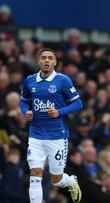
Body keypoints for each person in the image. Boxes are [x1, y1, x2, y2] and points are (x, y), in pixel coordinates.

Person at [19, 48, 83, 203]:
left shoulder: (63, 80)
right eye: (43, 58)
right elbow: (23, 101)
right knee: (35, 174)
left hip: (57, 136)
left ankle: (71, 182)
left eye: (50, 58)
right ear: (38, 61)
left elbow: (78, 104)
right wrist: (25, 111)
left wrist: (59, 112)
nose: (47, 60)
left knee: (56, 179)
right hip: (35, 135)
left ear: (55, 62)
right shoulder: (30, 80)